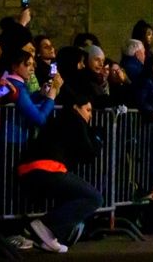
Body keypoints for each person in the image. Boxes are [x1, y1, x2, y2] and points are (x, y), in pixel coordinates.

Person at [17, 90, 103, 253]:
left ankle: (48, 236)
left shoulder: (60, 121)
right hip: (46, 169)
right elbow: (89, 154)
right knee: (94, 197)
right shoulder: (75, 120)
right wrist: (98, 139)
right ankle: (45, 226)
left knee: (73, 196)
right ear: (76, 108)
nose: (90, 115)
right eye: (88, 110)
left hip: (32, 169)